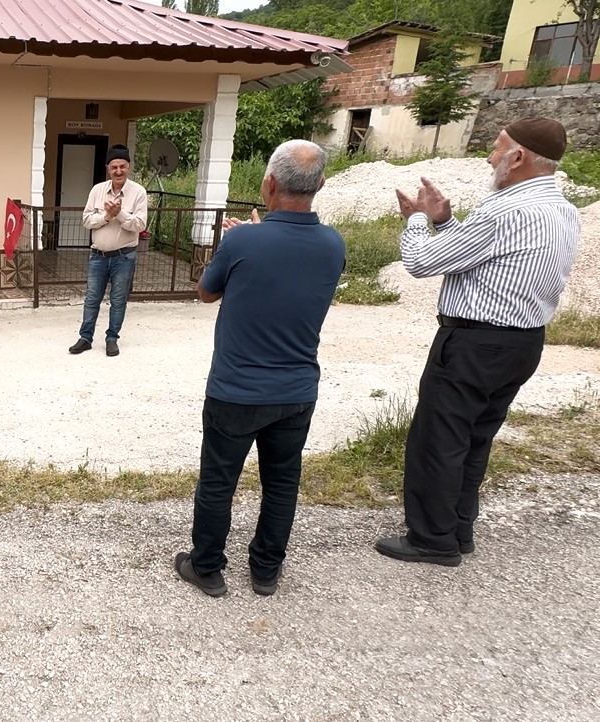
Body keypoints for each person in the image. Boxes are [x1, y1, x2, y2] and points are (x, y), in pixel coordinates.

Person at [376, 117, 580, 567]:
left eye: (497, 146)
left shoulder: (502, 209)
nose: (490, 155)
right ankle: (458, 528)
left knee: (439, 440)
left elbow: (422, 262)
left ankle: (432, 540)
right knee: (474, 439)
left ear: (519, 157)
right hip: (522, 342)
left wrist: (416, 222)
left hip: (473, 343)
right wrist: (446, 220)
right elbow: (474, 259)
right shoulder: (563, 210)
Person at [174, 140, 346, 598]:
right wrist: (252, 239)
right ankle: (266, 569)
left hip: (236, 390)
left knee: (218, 481)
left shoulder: (243, 240)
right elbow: (287, 272)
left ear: (269, 183)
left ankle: (207, 566)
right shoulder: (333, 244)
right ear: (321, 185)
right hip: (296, 391)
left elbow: (207, 293)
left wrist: (237, 242)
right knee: (282, 482)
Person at [68, 144, 148, 357]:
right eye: (114, 167)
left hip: (124, 256)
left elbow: (140, 225)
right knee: (92, 299)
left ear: (128, 167)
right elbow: (86, 220)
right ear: (108, 169)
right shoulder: (97, 190)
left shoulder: (138, 192)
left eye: (122, 166)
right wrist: (107, 216)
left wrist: (120, 214)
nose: (118, 171)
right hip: (98, 257)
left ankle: (112, 338)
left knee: (118, 300)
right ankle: (85, 338)